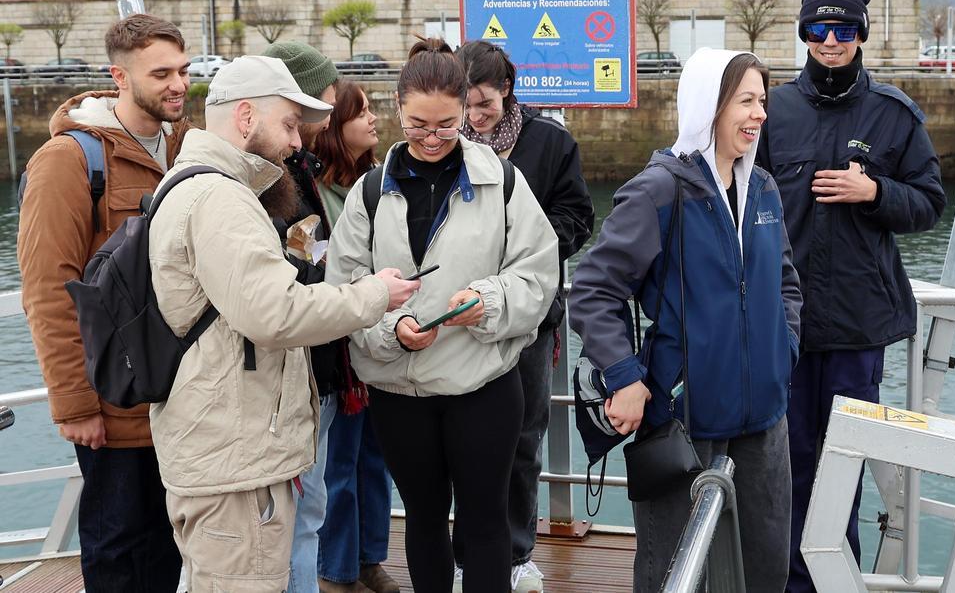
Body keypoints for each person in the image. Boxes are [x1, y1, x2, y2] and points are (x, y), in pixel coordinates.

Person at [147, 55, 419, 590]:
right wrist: (374, 295)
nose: (299, 142)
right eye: (290, 125)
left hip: (220, 446)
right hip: (236, 458)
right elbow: (275, 313)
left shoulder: (193, 185)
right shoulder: (221, 199)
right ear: (246, 117)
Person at [324, 37, 558, 593]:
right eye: (418, 125)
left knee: (485, 521)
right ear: (397, 111)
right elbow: (344, 287)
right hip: (399, 392)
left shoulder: (502, 181)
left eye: (446, 125)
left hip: (483, 385)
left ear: (465, 115)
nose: (431, 139)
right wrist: (390, 329)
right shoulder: (370, 192)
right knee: (423, 521)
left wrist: (489, 301)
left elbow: (538, 274)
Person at [570, 48, 803, 592]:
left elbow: (787, 282)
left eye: (762, 101)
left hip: (765, 423)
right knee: (675, 575)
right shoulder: (660, 190)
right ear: (710, 107)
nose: (759, 114)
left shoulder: (764, 189)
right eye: (745, 101)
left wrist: (782, 348)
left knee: (764, 571)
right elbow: (594, 288)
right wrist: (624, 377)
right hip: (685, 421)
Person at [754, 0, 947, 593]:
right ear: (804, 33)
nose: (829, 40)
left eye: (841, 29)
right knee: (785, 463)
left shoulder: (893, 115)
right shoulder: (772, 112)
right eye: (818, 28)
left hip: (859, 327)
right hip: (782, 323)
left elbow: (928, 202)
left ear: (860, 34)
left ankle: (837, 581)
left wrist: (875, 192)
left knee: (844, 467)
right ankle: (788, 584)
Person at [16, 13, 191, 592]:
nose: (177, 84)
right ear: (119, 76)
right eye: (160, 72)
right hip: (112, 404)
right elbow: (48, 288)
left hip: (181, 400)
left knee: (169, 545)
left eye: (183, 70)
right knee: (116, 548)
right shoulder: (70, 161)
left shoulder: (184, 146)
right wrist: (73, 406)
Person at [452, 39, 595, 592]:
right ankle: (466, 553)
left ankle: (515, 552)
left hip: (530, 312)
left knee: (523, 434)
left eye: (483, 103)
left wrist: (528, 249)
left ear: (507, 90)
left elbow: (578, 217)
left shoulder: (551, 142)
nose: (474, 117)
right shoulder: (447, 144)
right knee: (463, 434)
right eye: (465, 104)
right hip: (463, 307)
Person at [309, 80, 399, 593]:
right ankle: (336, 571)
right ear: (336, 126)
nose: (372, 119)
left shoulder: (380, 182)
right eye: (360, 112)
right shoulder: (316, 191)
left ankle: (369, 558)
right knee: (338, 465)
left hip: (379, 339)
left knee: (375, 459)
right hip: (338, 350)